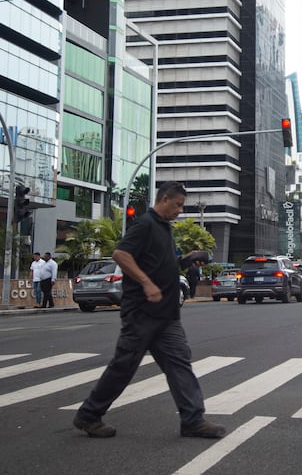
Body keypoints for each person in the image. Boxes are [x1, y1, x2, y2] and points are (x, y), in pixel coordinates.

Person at [73, 181, 226, 439]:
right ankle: (89, 415)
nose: (180, 210)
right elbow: (120, 254)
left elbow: (161, 264)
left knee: (180, 364)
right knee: (124, 366)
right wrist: (146, 283)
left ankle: (192, 419)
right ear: (164, 199)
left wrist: (184, 260)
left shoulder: (164, 228)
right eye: (178, 205)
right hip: (142, 313)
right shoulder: (145, 224)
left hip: (166, 316)